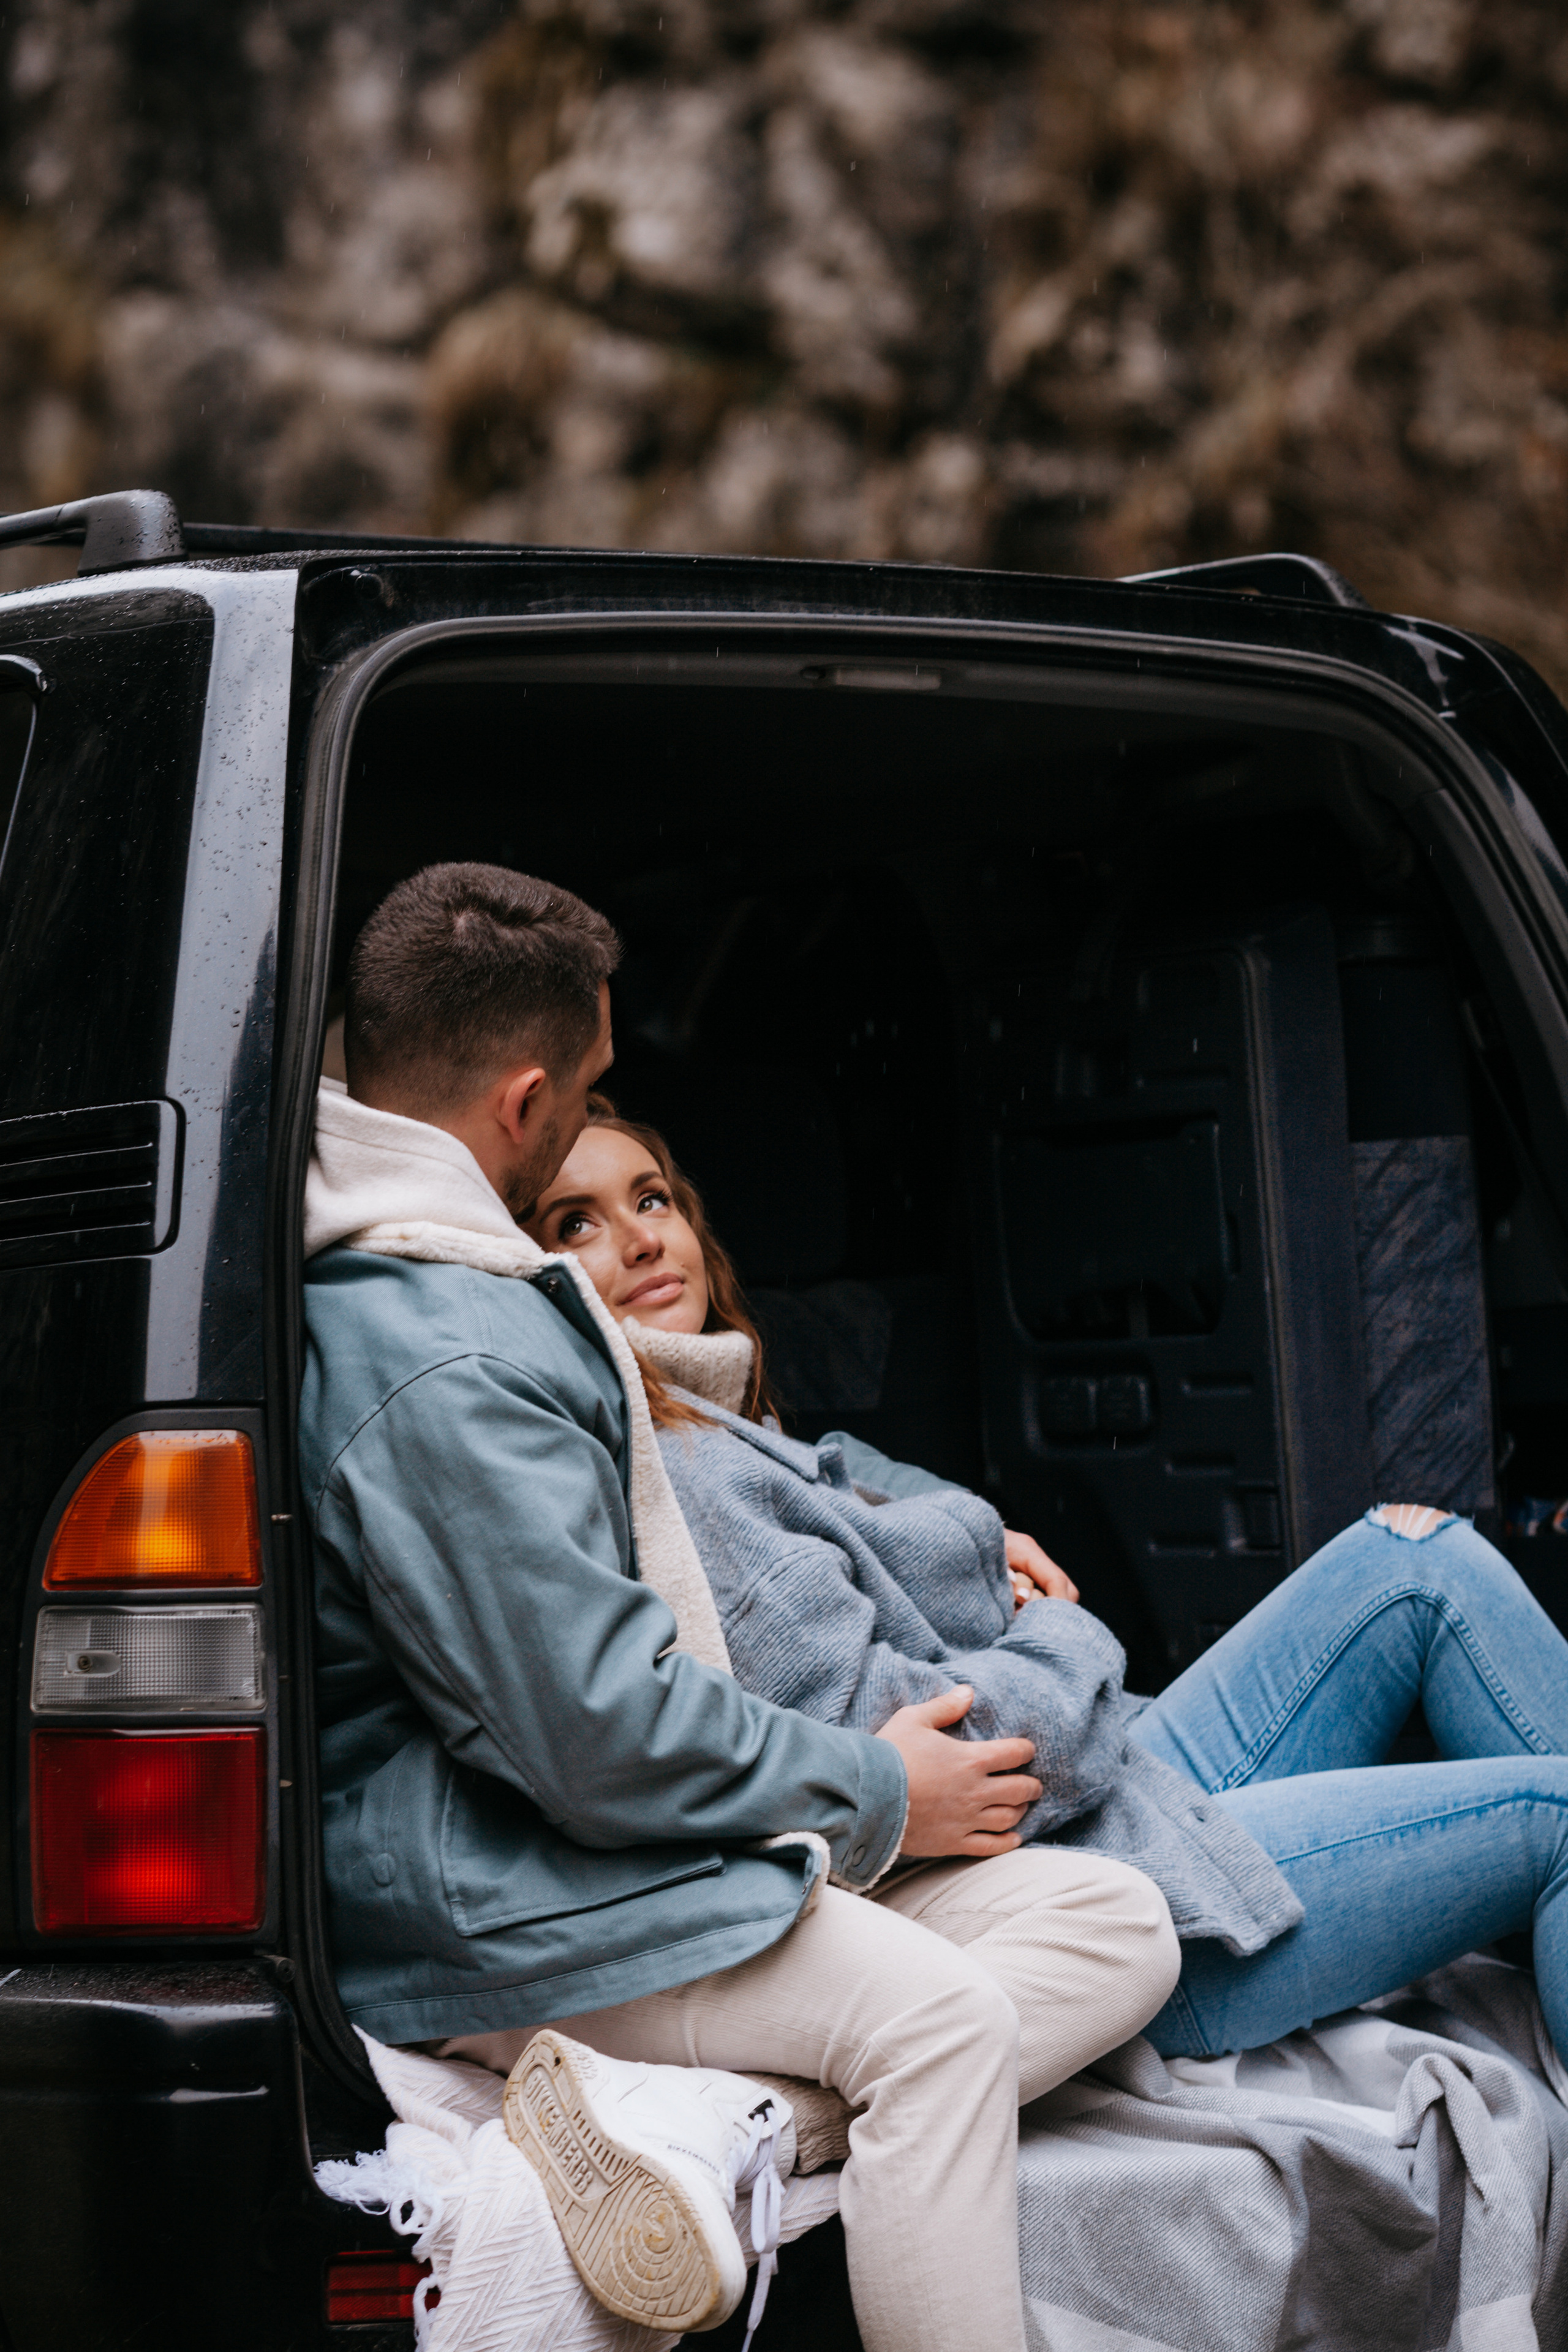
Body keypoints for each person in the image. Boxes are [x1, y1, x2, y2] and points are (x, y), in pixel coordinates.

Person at [300, 862, 1180, 2352]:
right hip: (498, 1902)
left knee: (1110, 1919)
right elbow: (598, 1734)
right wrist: (876, 1791)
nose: (595, 1124)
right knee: (939, 2025)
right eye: (585, 1092)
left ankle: (697, 2138)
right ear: (521, 1107)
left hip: (587, 1851)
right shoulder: (445, 1356)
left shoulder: (444, 1286)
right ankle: (712, 2133)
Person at [526, 1101, 1568, 2070]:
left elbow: (852, 1477)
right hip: (1138, 1911)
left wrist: (977, 1544)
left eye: (651, 1198)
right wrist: (1062, 1632)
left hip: (1124, 1799)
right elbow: (951, 1762)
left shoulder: (731, 1432)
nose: (641, 1238)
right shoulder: (691, 1485)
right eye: (578, 1224)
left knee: (1413, 1555)